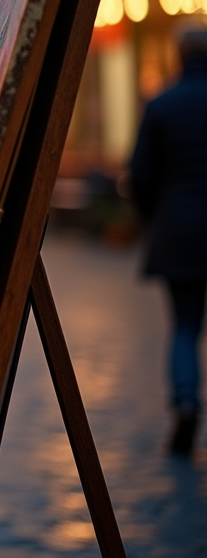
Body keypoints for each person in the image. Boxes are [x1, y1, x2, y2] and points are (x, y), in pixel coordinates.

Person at [129, 23, 207, 455]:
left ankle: (185, 403)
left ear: (179, 55)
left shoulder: (162, 105)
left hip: (179, 232)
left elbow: (140, 176)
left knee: (185, 326)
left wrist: (154, 218)